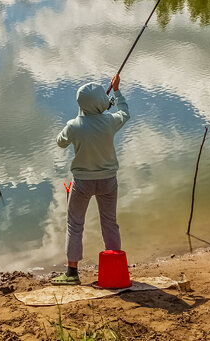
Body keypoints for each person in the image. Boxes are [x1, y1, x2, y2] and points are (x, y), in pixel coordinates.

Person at [51, 71, 130, 285]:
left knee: (75, 224)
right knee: (109, 223)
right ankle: (114, 267)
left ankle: (72, 274)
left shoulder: (74, 125)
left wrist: (79, 115)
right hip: (108, 181)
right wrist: (116, 91)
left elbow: (60, 142)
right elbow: (124, 112)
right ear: (100, 102)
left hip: (82, 183)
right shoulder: (110, 122)